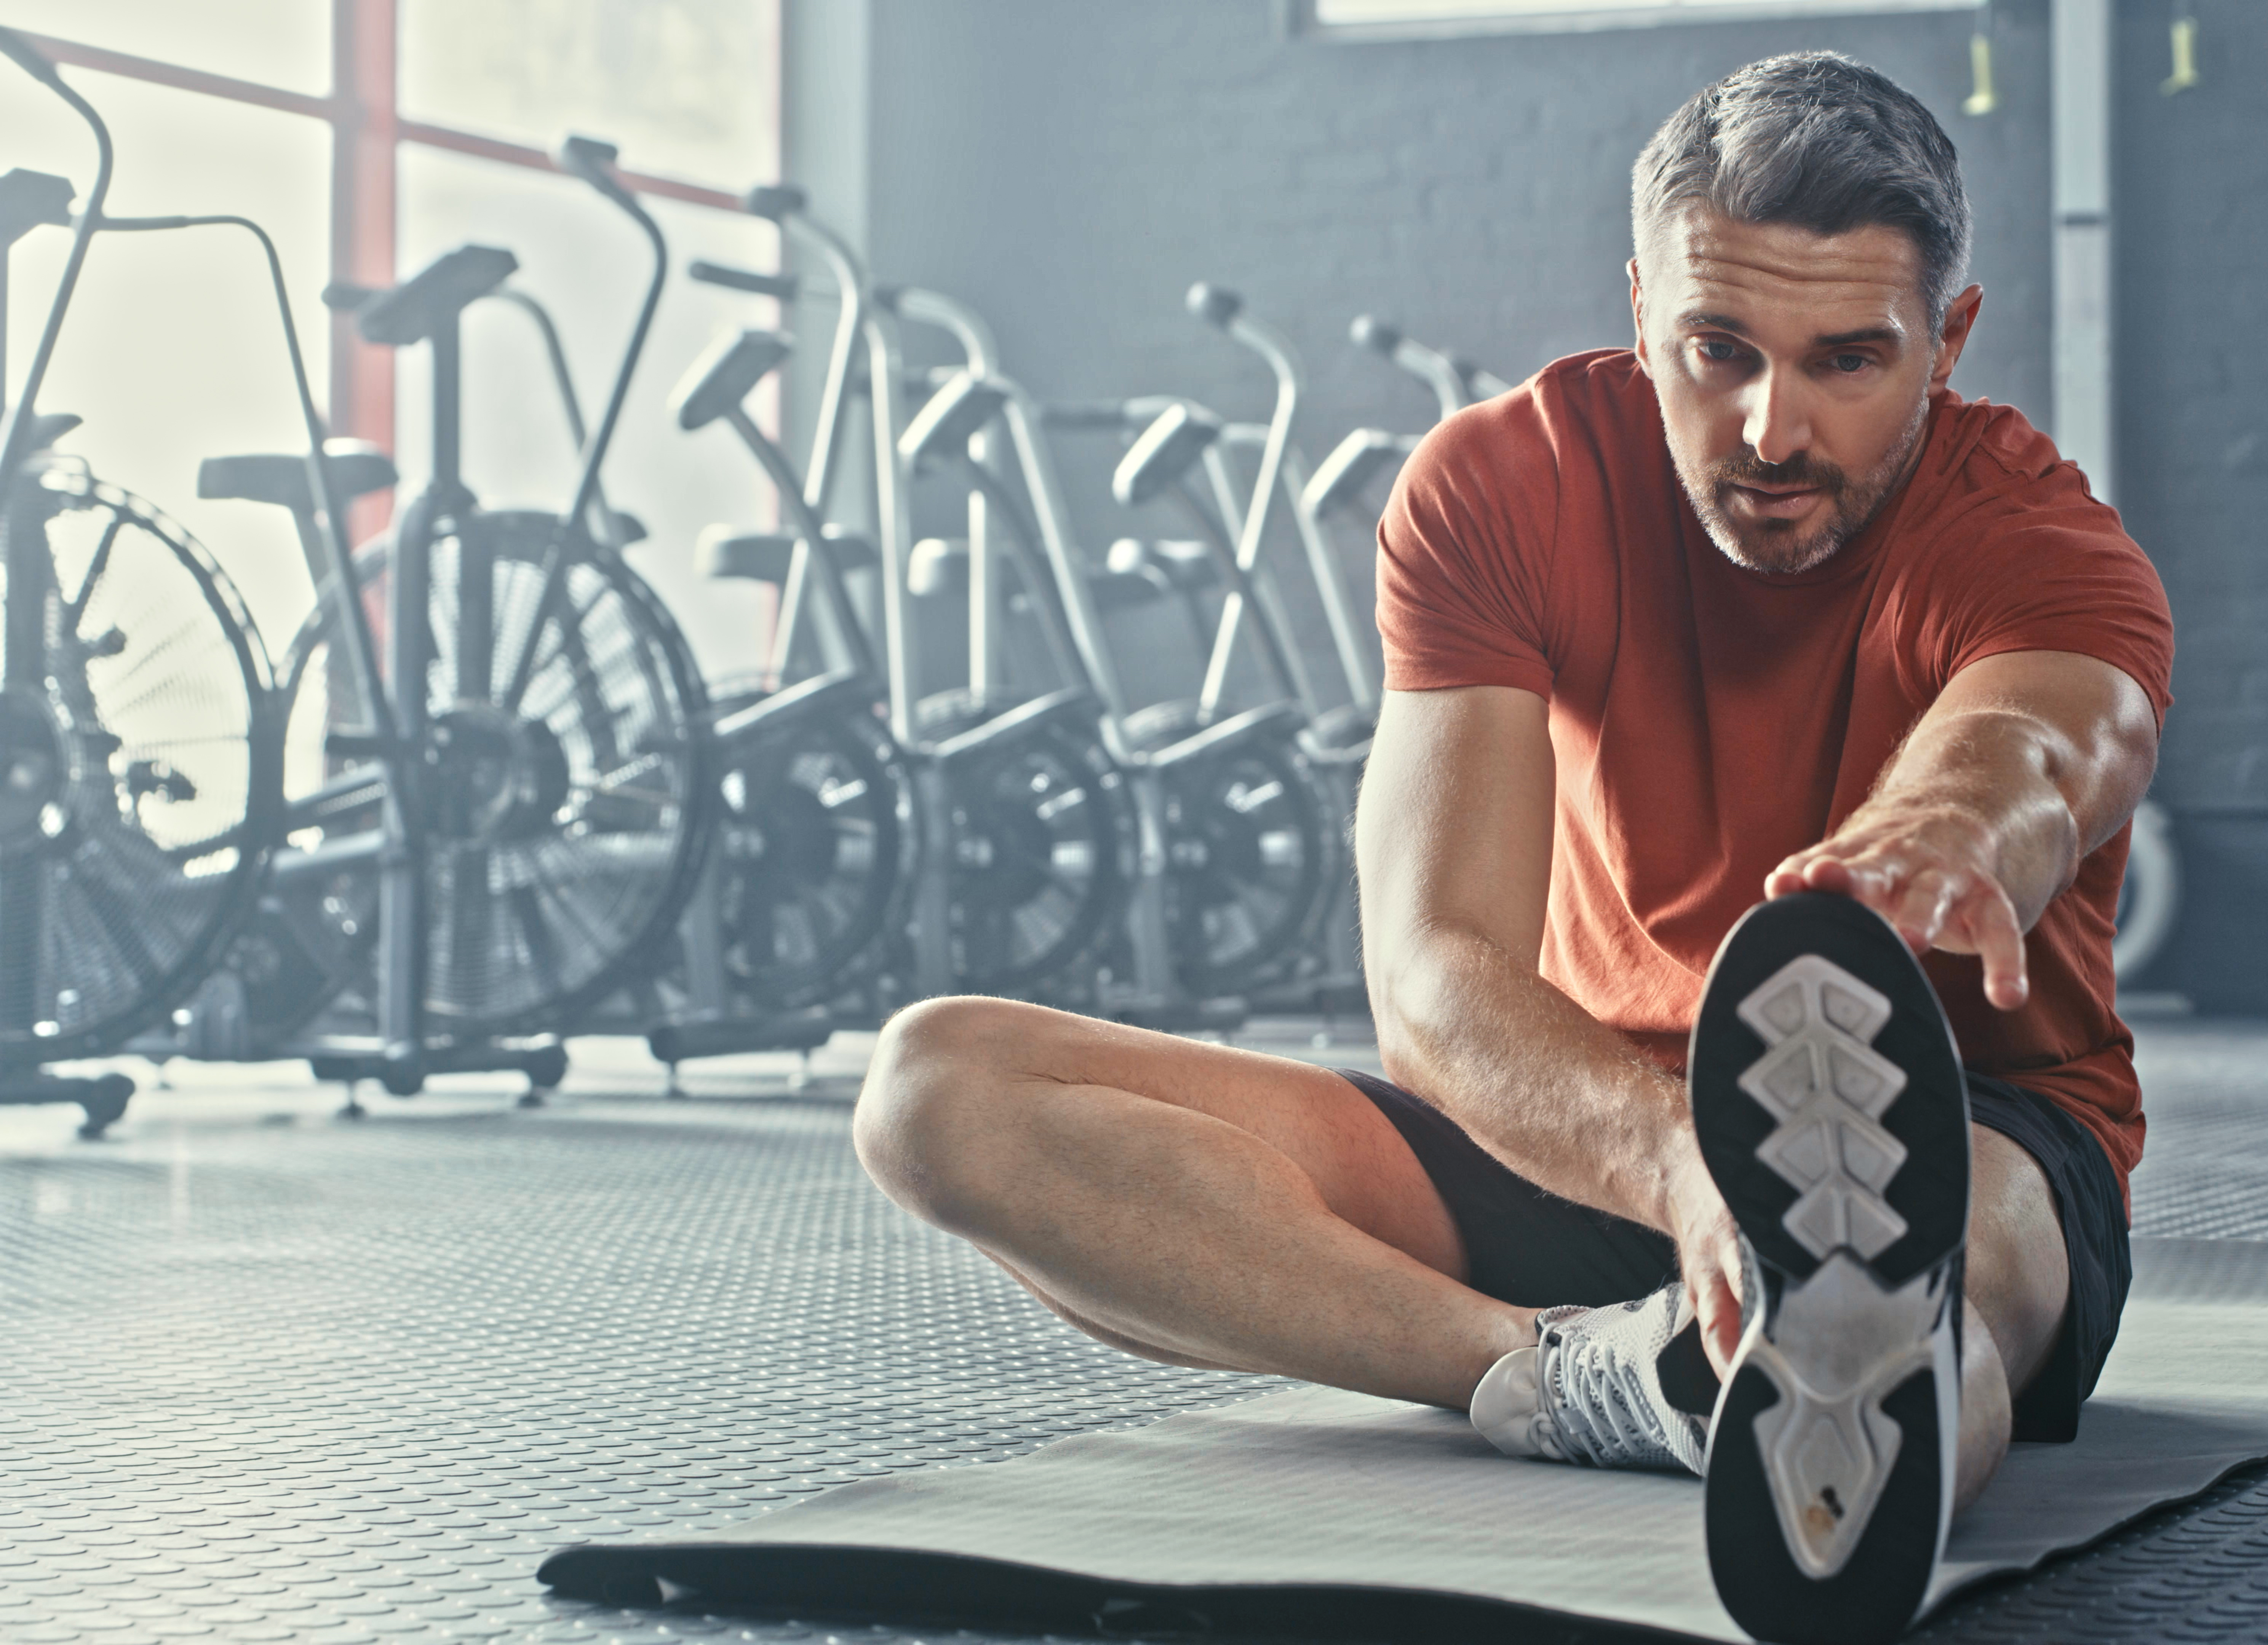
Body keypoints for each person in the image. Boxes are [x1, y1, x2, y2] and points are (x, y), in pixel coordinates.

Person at [852, 50, 2170, 1645]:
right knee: (939, 1089)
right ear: (1637, 310)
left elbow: (2048, 735)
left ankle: (1858, 1413)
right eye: (1715, 350)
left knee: (1954, 1277)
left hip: (1953, 1125)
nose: (1769, 427)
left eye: (1844, 362)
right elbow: (1434, 973)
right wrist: (1677, 1161)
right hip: (1585, 1112)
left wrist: (1944, 827)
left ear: (1945, 342)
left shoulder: (2028, 532)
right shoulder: (1503, 483)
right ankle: (1565, 1375)